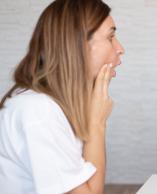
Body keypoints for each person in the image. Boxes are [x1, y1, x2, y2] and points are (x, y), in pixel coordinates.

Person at [0, 0, 124, 193]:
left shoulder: (51, 105)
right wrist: (97, 124)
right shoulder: (38, 111)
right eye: (110, 37)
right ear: (78, 45)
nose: (120, 48)